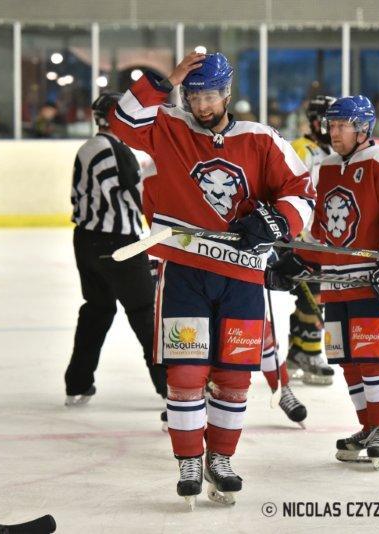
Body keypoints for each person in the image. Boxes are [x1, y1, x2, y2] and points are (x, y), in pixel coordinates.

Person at [110, 50, 314, 507]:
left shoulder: (260, 138)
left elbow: (302, 192)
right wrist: (167, 80)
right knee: (186, 371)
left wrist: (277, 222)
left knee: (235, 374)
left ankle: (220, 458)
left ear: (227, 94)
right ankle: (188, 460)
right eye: (194, 96)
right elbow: (122, 123)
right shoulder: (169, 127)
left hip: (242, 276)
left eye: (210, 96)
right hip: (186, 270)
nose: (202, 105)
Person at [266, 95, 379, 470]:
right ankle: (368, 427)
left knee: (373, 357)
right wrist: (295, 261)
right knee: (347, 358)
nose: (333, 133)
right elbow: (322, 230)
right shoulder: (327, 168)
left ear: (363, 128)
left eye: (342, 126)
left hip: (375, 279)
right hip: (336, 281)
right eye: (331, 126)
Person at [143, 166, 307, 428]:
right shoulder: (156, 174)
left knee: (255, 333)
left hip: (238, 267)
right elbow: (160, 226)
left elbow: (260, 208)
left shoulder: (235, 159)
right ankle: (193, 396)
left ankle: (282, 387)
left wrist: (269, 252)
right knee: (191, 340)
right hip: (191, 272)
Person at [64, 91, 167, 412]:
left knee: (97, 310)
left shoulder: (89, 147)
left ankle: (77, 383)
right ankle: (170, 387)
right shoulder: (116, 150)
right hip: (119, 246)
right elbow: (139, 198)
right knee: (145, 313)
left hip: (86, 242)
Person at [286, 94, 336, 386]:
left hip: (325, 239)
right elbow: (291, 192)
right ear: (316, 122)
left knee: (311, 295)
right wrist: (292, 233)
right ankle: (311, 353)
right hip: (304, 239)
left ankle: (296, 353)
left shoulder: (333, 151)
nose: (334, 127)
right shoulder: (301, 149)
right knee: (313, 294)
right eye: (330, 122)